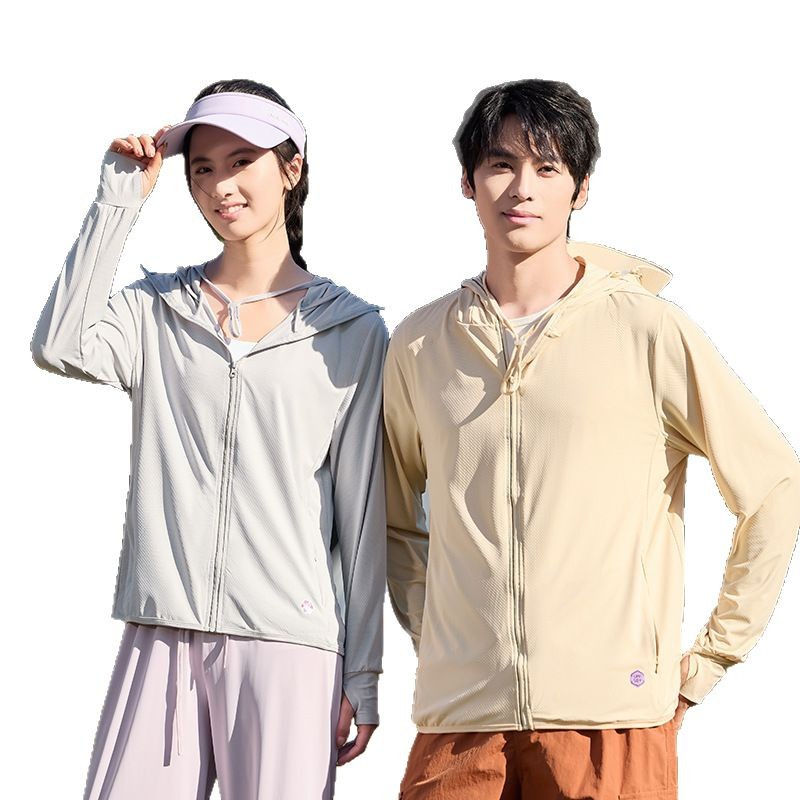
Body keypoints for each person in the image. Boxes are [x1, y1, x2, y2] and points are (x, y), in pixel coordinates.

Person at [382, 78, 800, 799]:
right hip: (460, 723)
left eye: (547, 167)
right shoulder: (420, 343)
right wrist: (445, 643)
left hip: (612, 721)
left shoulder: (647, 329)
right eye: (501, 163)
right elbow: (395, 520)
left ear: (580, 190)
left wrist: (708, 662)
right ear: (468, 181)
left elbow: (772, 485)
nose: (522, 187)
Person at [31, 78, 387, 799]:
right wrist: (120, 197)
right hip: (161, 629)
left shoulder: (349, 330)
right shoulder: (155, 311)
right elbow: (59, 344)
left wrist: (363, 674)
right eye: (202, 168)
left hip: (290, 644)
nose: (221, 185)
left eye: (242, 161)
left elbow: (363, 516)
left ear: (291, 168)